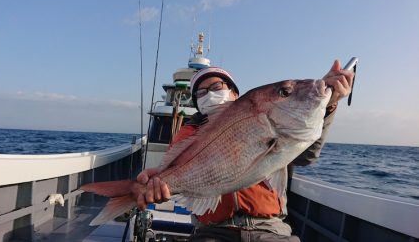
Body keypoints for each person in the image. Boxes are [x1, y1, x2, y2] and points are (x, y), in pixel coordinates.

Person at [133, 60, 354, 242]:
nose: (209, 94)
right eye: (200, 92)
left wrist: (327, 105)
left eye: (216, 87)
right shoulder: (187, 134)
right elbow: (176, 170)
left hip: (271, 229)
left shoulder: (274, 126)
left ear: (235, 93)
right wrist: (158, 184)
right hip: (212, 231)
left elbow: (307, 155)